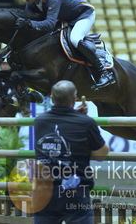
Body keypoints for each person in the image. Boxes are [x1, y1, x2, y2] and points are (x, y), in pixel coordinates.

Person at [16, 0, 115, 90]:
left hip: (83, 15)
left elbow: (49, 24)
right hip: (67, 19)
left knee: (75, 39)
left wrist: (29, 23)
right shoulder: (31, 4)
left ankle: (103, 72)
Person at [33, 80, 109, 224]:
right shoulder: (86, 123)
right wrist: (82, 118)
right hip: (75, 190)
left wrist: (76, 115)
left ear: (51, 98)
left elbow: (62, 124)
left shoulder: (39, 121)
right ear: (75, 99)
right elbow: (101, 155)